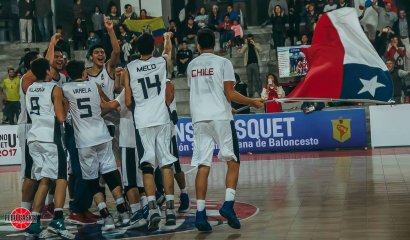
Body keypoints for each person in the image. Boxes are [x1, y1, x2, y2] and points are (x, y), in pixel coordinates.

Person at [187, 28, 264, 232]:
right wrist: (252, 101)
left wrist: (226, 105)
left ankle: (200, 215)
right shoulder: (223, 63)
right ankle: (228, 205)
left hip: (199, 119)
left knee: (203, 165)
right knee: (233, 161)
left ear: (198, 45)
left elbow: (203, 92)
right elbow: (230, 92)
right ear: (216, 43)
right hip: (220, 118)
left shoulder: (191, 65)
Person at [122, 32, 178, 231]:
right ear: (153, 47)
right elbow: (168, 52)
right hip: (161, 117)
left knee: (147, 164)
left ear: (137, 49)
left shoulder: (128, 68)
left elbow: (128, 101)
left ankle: (153, 207)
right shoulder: (162, 62)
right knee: (166, 163)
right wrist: (168, 39)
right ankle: (170, 209)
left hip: (142, 120)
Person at [24, 58, 73, 239]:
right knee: (61, 178)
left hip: (34, 139)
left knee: (45, 179)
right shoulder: (55, 88)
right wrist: (66, 106)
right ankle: (58, 221)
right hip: (50, 138)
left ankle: (34, 222)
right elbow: (61, 118)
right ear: (47, 71)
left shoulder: (29, 88)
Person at [100, 77, 148, 229]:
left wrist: (97, 92)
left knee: (129, 182)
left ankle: (136, 214)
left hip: (129, 141)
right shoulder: (144, 89)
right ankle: (150, 207)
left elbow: (108, 107)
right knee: (142, 179)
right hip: (143, 140)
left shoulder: (129, 90)